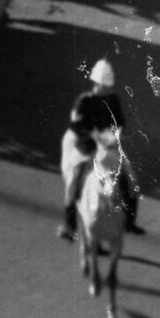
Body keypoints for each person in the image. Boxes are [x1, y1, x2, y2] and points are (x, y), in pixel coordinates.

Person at [60, 58, 141, 237]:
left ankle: (130, 222)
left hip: (109, 147)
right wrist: (93, 134)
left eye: (108, 86)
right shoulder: (84, 101)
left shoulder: (113, 99)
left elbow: (120, 121)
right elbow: (75, 125)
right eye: (104, 86)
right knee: (74, 183)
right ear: (96, 83)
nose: (106, 89)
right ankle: (69, 225)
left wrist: (116, 135)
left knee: (132, 180)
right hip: (87, 148)